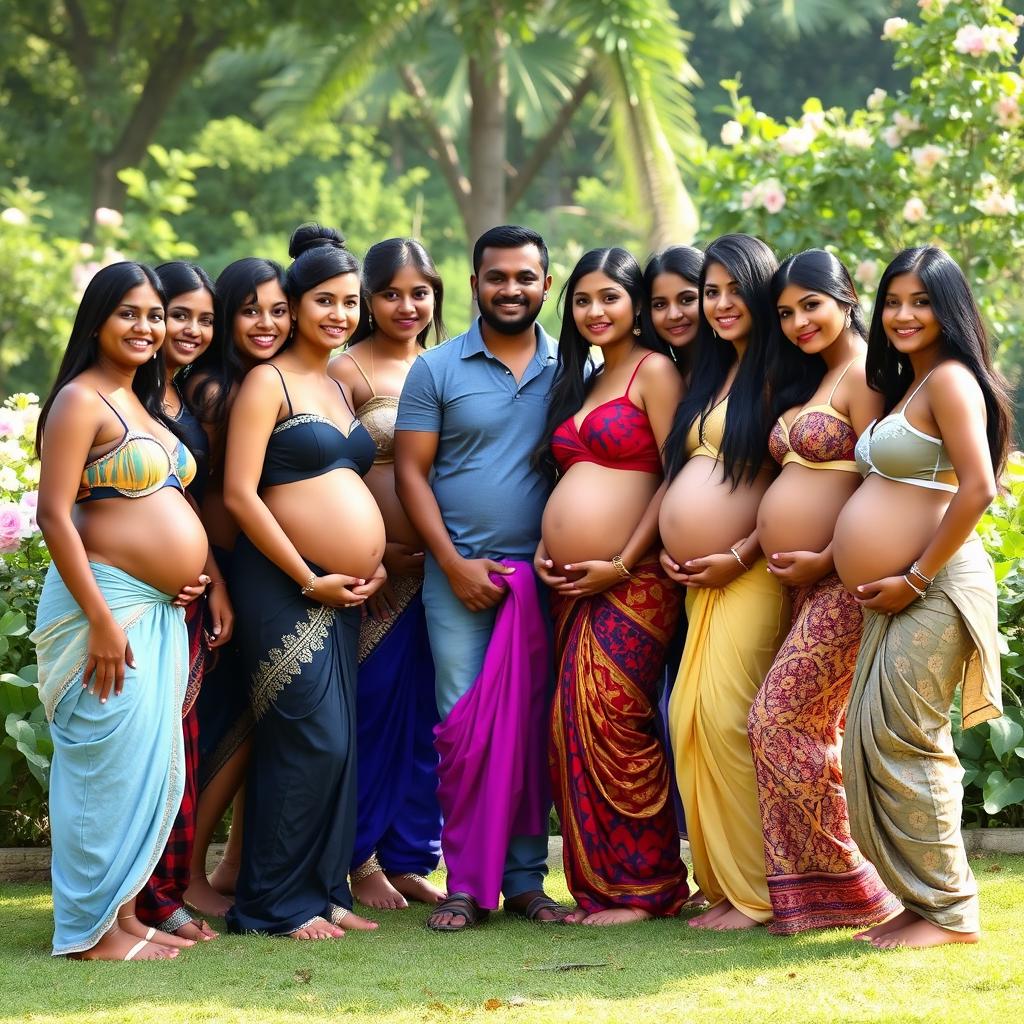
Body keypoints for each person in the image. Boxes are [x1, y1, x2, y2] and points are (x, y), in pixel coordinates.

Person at [833, 245, 1010, 949]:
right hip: (899, 591)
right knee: (872, 744)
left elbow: (978, 487)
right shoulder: (914, 382)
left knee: (907, 739)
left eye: (921, 301)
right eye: (894, 301)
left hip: (935, 585)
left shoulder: (952, 382)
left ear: (949, 309)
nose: (904, 314)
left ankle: (952, 912)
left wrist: (913, 575)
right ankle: (919, 901)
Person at [32, 262, 210, 960]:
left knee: (144, 762)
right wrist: (103, 618)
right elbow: (53, 514)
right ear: (97, 321)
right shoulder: (81, 400)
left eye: (154, 315)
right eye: (129, 314)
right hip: (104, 608)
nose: (147, 327)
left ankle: (125, 916)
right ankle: (90, 932)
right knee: (102, 764)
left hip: (157, 608)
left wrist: (186, 573)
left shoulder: (137, 400)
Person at [396, 224, 571, 931]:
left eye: (525, 278)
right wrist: (451, 563)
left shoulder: (573, 370)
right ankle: (467, 884)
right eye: (497, 277)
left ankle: (527, 882)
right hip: (459, 579)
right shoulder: (435, 368)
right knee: (465, 730)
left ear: (545, 285)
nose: (511, 289)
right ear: (474, 285)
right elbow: (411, 471)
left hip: (546, 583)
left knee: (530, 730)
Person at [223, 224, 385, 939]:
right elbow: (239, 494)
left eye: (350, 302)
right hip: (283, 586)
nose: (340, 315)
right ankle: (271, 905)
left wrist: (370, 560)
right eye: (324, 301)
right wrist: (308, 574)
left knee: (340, 742)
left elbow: (349, 482)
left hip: (344, 590)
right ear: (293, 304)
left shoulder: (337, 380)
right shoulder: (269, 380)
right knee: (308, 740)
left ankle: (321, 891)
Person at [535, 247, 689, 925]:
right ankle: (601, 887)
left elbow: (674, 476)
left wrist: (624, 561)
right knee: (569, 723)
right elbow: (568, 479)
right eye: (583, 299)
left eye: (610, 298)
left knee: (614, 719)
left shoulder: (654, 371)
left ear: (635, 305)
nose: (595, 311)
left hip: (638, 579)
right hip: (571, 585)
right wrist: (547, 543)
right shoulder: (586, 377)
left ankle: (647, 886)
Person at [748, 250, 900, 934]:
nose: (798, 320)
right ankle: (811, 896)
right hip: (801, 586)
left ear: (847, 296)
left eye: (811, 304)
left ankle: (851, 885)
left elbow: (886, 483)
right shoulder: (819, 375)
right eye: (785, 312)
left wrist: (826, 557)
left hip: (843, 581)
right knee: (800, 726)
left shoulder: (867, 374)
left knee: (779, 720)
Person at [660, 233, 790, 931]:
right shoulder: (711, 376)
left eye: (734, 289)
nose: (719, 303)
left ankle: (758, 894)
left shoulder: (783, 376)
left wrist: (738, 553)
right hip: (699, 580)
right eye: (711, 291)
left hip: (752, 572)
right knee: (686, 722)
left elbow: (794, 480)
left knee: (726, 719)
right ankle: (720, 882)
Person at [330, 238, 447, 910]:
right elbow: (325, 468)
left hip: (439, 571)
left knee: (429, 719)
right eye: (392, 293)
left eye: (420, 292)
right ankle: (361, 859)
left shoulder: (447, 364)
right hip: (376, 579)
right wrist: (369, 551)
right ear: (369, 300)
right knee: (371, 712)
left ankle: (408, 857)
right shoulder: (348, 371)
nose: (408, 306)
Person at [182, 257, 291, 918]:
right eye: (252, 310)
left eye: (278, 309)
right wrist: (218, 579)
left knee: (257, 719)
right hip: (218, 569)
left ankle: (230, 866)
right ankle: (190, 872)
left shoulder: (264, 380)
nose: (267, 322)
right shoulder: (216, 390)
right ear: (227, 316)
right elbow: (205, 495)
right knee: (226, 722)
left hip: (253, 569)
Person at [136, 262, 235, 941]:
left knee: (183, 746)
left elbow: (191, 505)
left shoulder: (186, 399)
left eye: (204, 318)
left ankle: (166, 892)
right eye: (180, 315)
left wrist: (217, 582)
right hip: (133, 601)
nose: (191, 330)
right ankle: (134, 899)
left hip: (194, 597)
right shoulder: (120, 398)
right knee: (142, 749)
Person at [642, 245, 704, 382]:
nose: (674, 315)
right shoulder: (653, 375)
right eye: (660, 304)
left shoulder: (737, 368)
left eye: (687, 299)